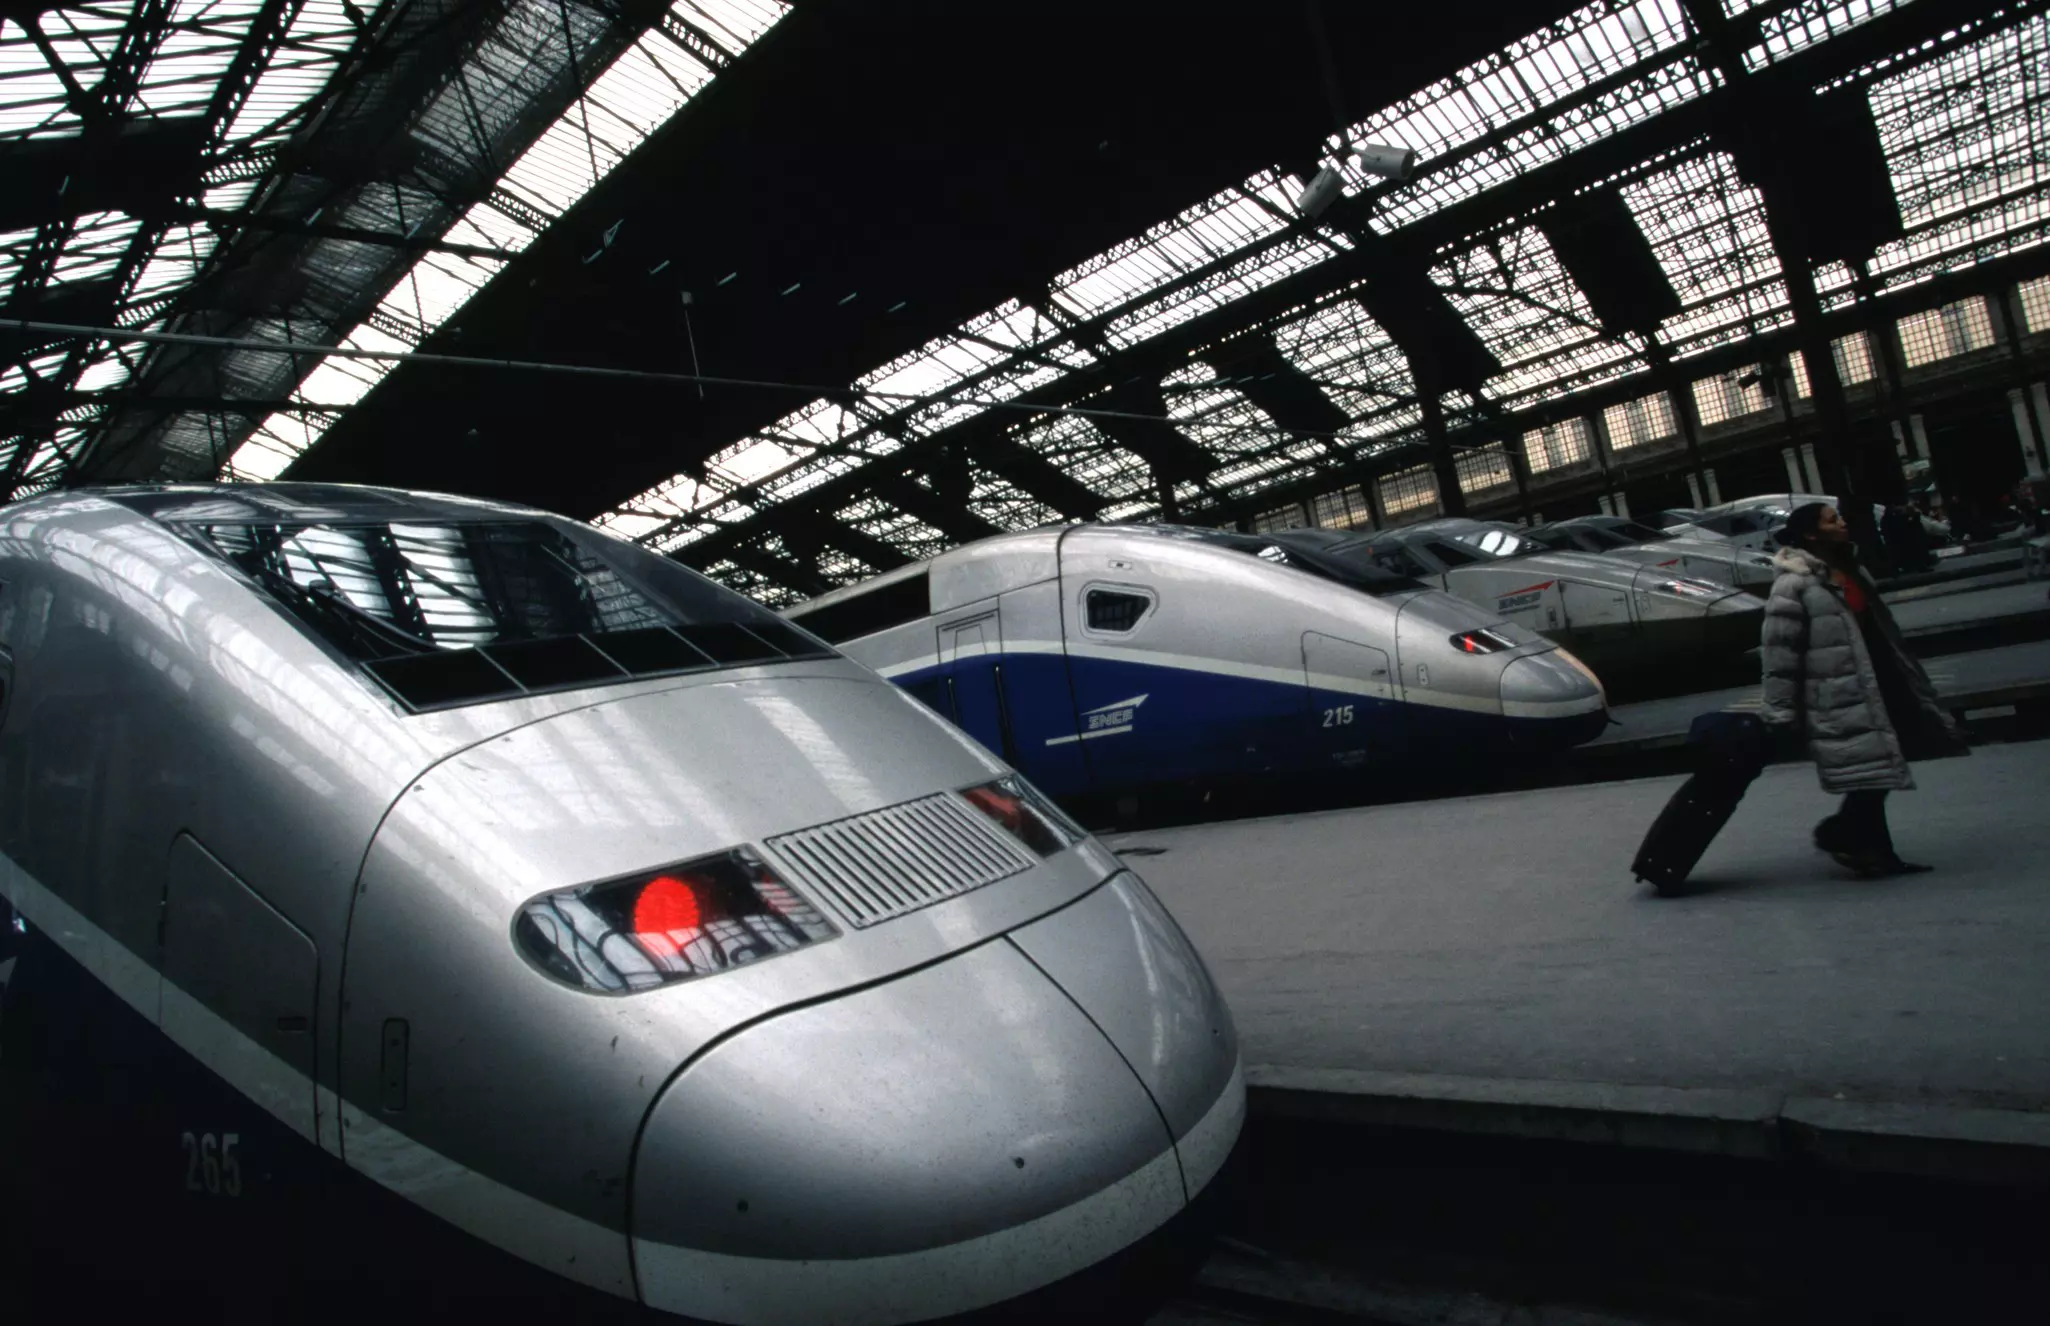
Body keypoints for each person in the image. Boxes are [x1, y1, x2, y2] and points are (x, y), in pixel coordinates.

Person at [1759, 502, 1968, 877]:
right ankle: (1857, 843)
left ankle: (1855, 841)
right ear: (1810, 534)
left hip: (1877, 681)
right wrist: (1780, 710)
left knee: (1880, 768)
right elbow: (1780, 651)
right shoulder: (1794, 584)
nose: (1841, 523)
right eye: (1831, 520)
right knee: (1872, 772)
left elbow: (1878, 629)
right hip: (1838, 693)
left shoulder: (1852, 570)